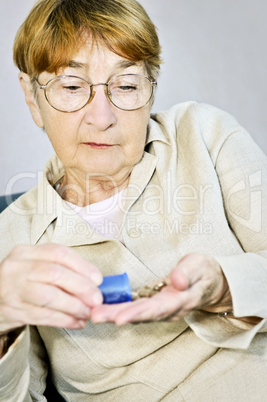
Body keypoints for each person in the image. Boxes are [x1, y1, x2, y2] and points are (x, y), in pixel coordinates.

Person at [0, 0, 267, 400]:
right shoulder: (10, 241)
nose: (102, 117)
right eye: (72, 87)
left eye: (126, 85)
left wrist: (224, 286)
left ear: (151, 87)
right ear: (31, 97)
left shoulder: (205, 135)